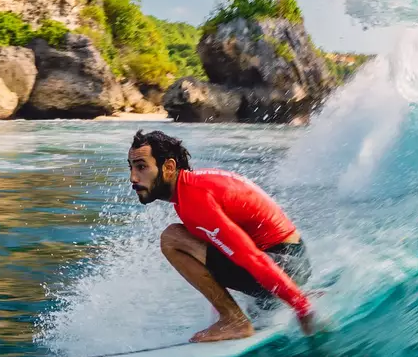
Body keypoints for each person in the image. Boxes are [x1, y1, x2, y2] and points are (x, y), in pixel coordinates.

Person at [127, 129, 318, 343]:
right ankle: (234, 316)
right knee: (182, 236)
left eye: (141, 167)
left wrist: (302, 307)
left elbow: (250, 257)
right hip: (293, 264)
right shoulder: (191, 190)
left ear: (169, 167)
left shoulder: (195, 199)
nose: (133, 177)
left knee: (172, 238)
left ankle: (235, 321)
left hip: (285, 264)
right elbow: (219, 253)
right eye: (132, 167)